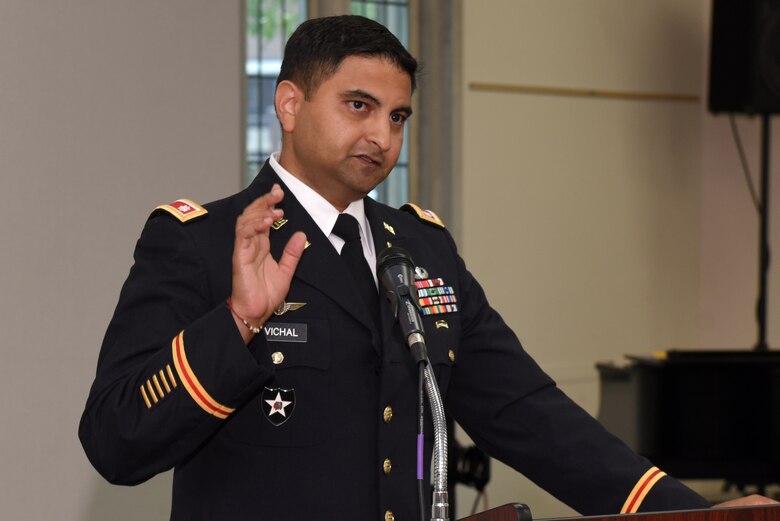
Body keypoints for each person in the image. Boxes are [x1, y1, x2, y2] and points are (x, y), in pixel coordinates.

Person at [79, 15, 773, 521]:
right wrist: (237, 323)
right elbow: (115, 439)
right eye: (359, 106)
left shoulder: (422, 249)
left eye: (399, 116)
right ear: (289, 104)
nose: (382, 136)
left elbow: (529, 412)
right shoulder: (202, 243)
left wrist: (686, 512)